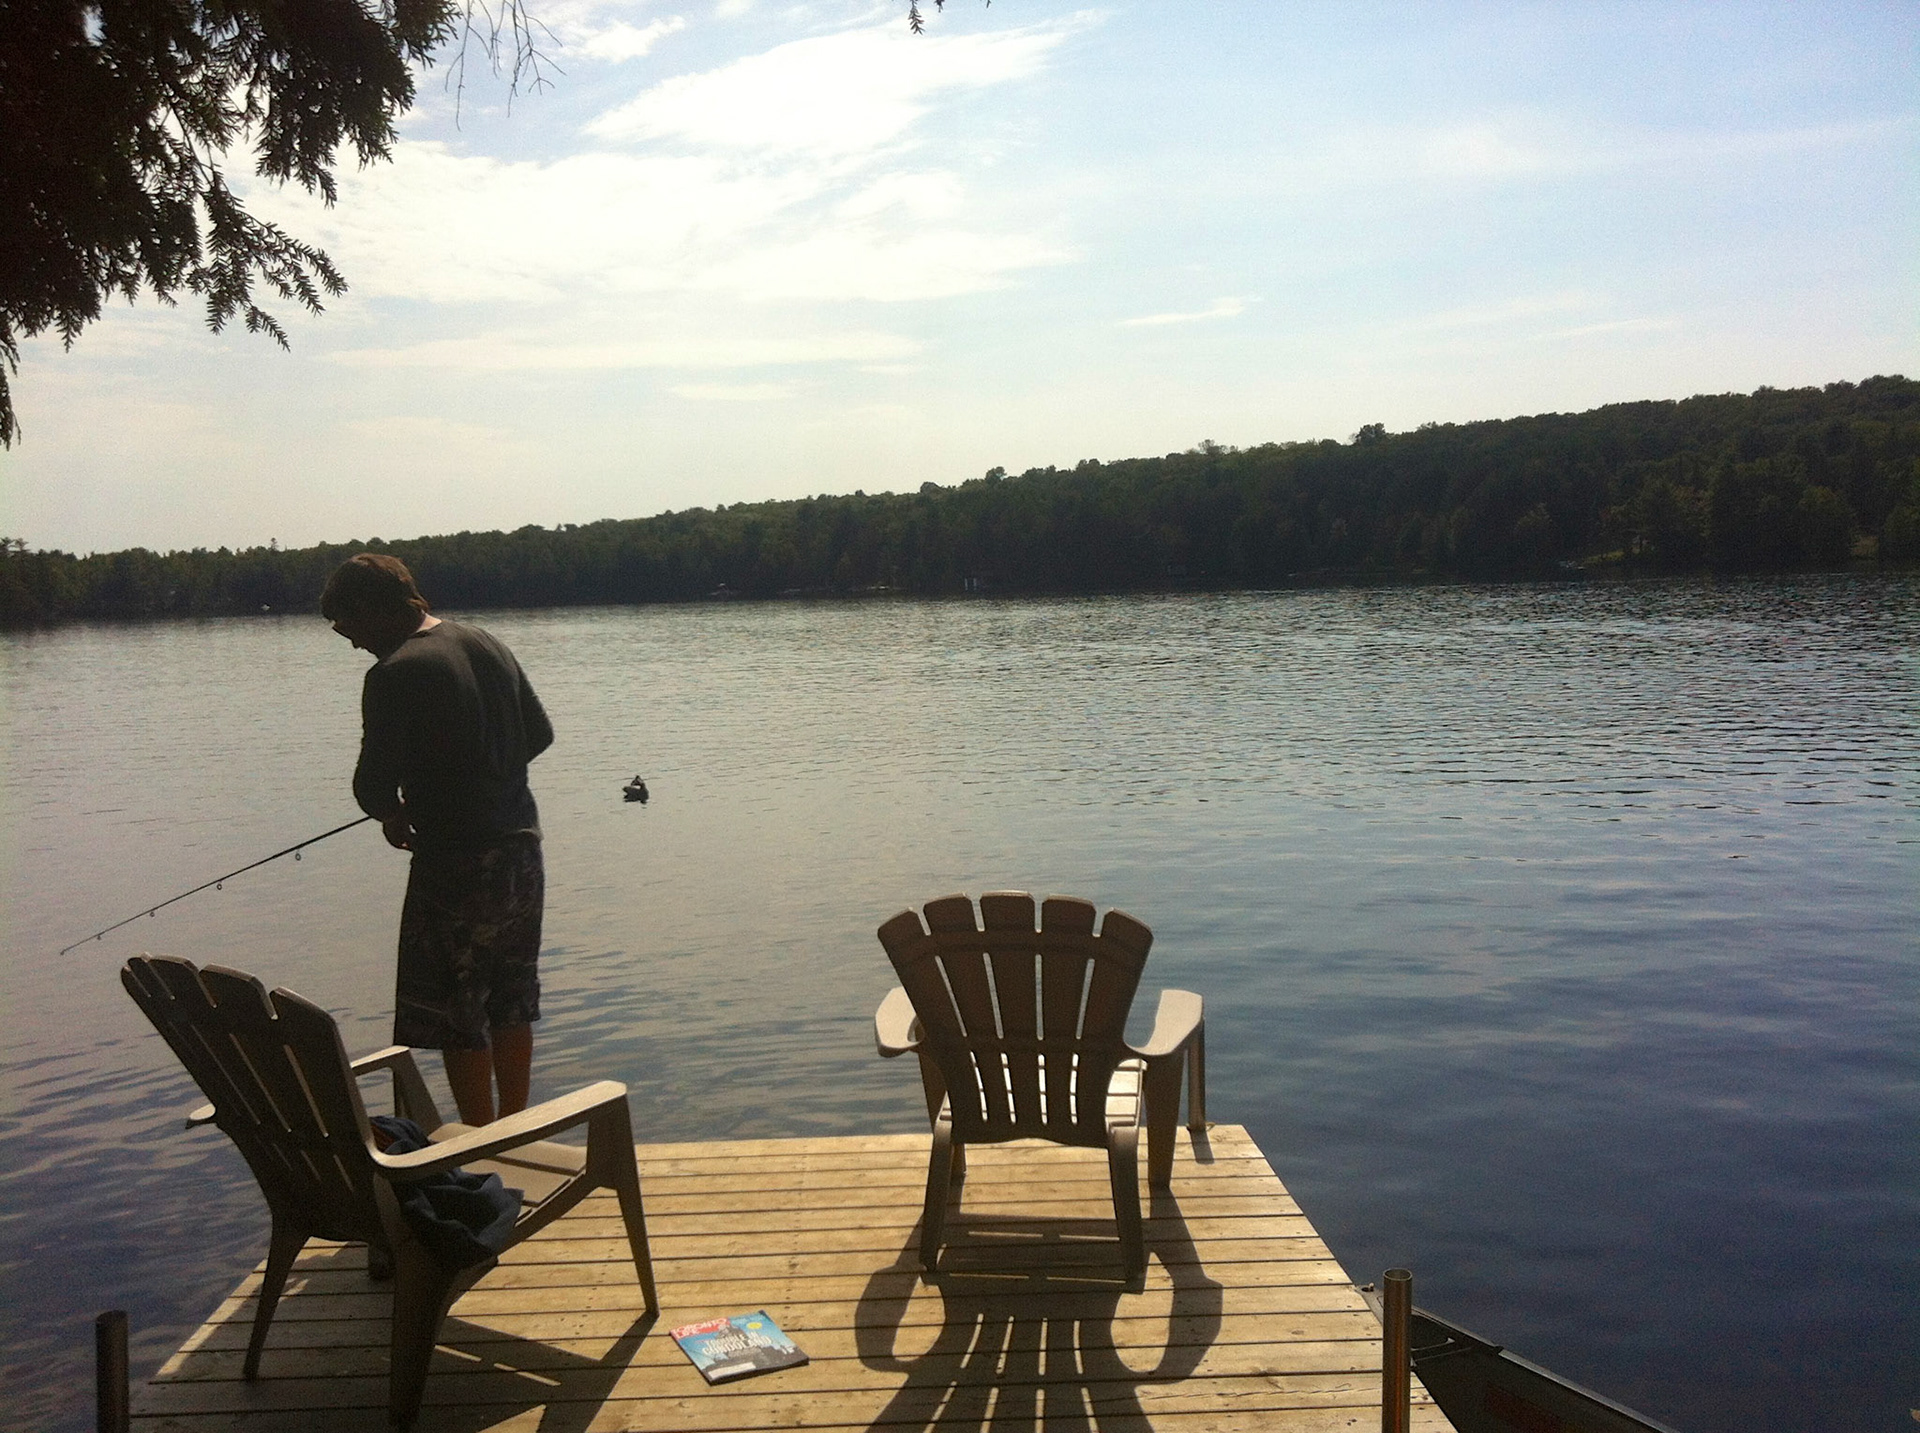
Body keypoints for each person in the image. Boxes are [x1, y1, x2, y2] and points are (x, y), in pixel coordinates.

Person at [321, 554, 554, 1125]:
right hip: (521, 852)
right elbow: (540, 733)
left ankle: (480, 1139)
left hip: (455, 865)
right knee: (511, 1000)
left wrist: (392, 812)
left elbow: (372, 784)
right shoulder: (485, 642)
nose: (349, 643)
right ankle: (516, 1131)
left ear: (373, 609)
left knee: (459, 1011)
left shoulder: (395, 672)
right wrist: (484, 780)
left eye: (347, 626)